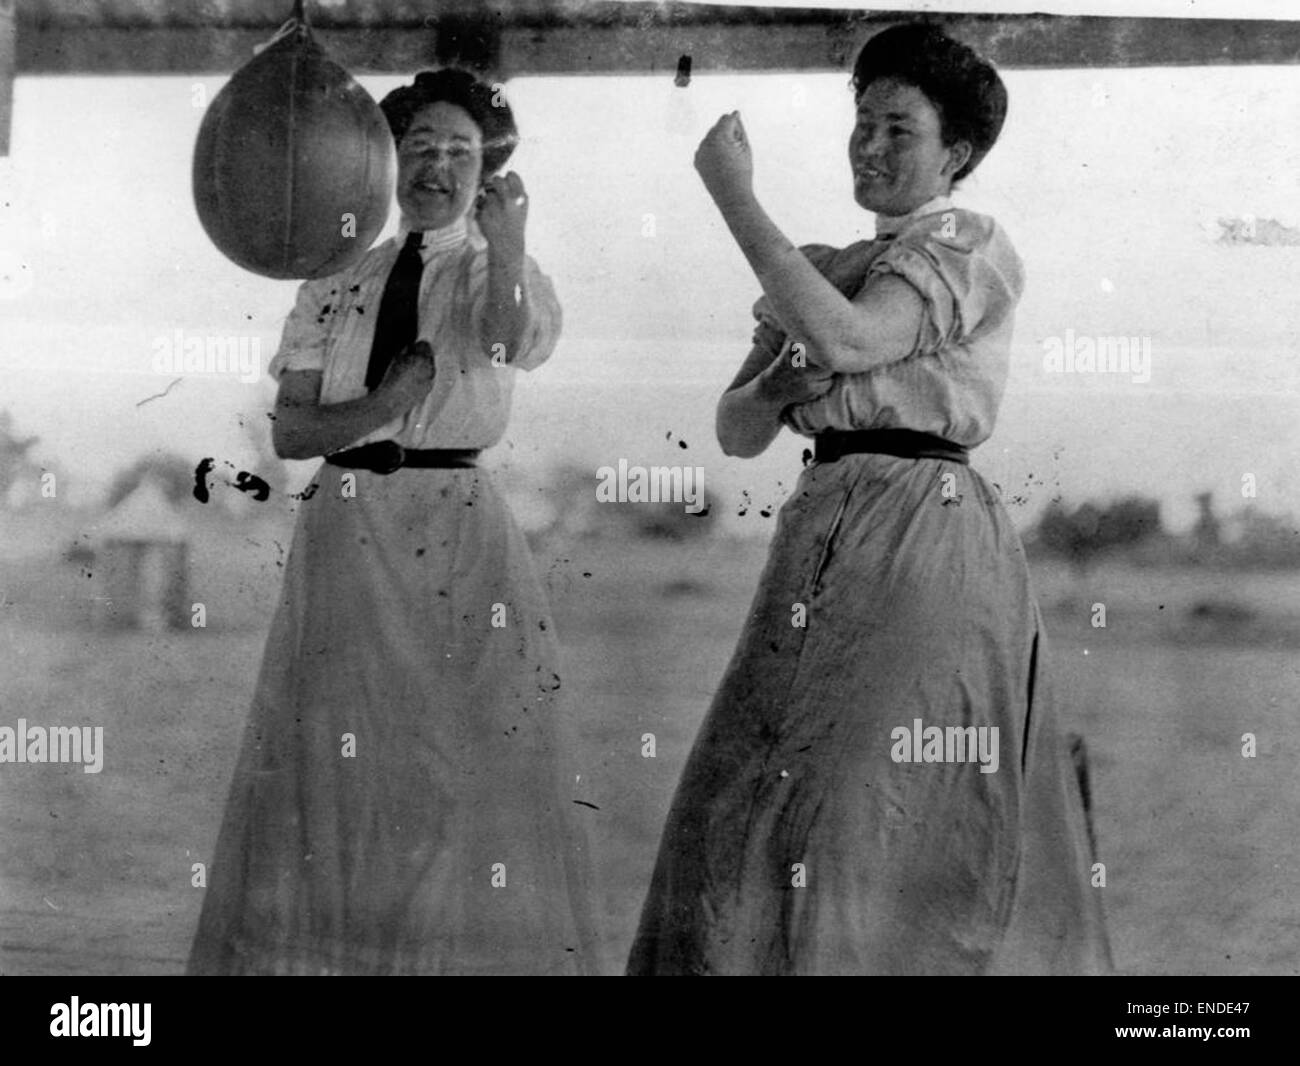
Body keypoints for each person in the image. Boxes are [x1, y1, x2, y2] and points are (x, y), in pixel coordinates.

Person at [627, 23, 1112, 975]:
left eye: (900, 129)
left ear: (956, 155)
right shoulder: (826, 264)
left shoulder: (969, 246)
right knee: (745, 797)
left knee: (868, 804)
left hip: (925, 535)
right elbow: (736, 428)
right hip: (822, 531)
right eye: (863, 122)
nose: (871, 146)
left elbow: (849, 341)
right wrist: (776, 387)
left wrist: (734, 196)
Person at [187, 69, 599, 975]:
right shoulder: (337, 280)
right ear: (384, 163)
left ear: (486, 168)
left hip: (456, 528)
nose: (438, 168)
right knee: (335, 763)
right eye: (418, 148)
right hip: (347, 526)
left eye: (460, 152)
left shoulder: (507, 273)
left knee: (453, 761)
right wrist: (384, 404)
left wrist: (512, 239)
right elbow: (293, 433)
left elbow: (501, 342)